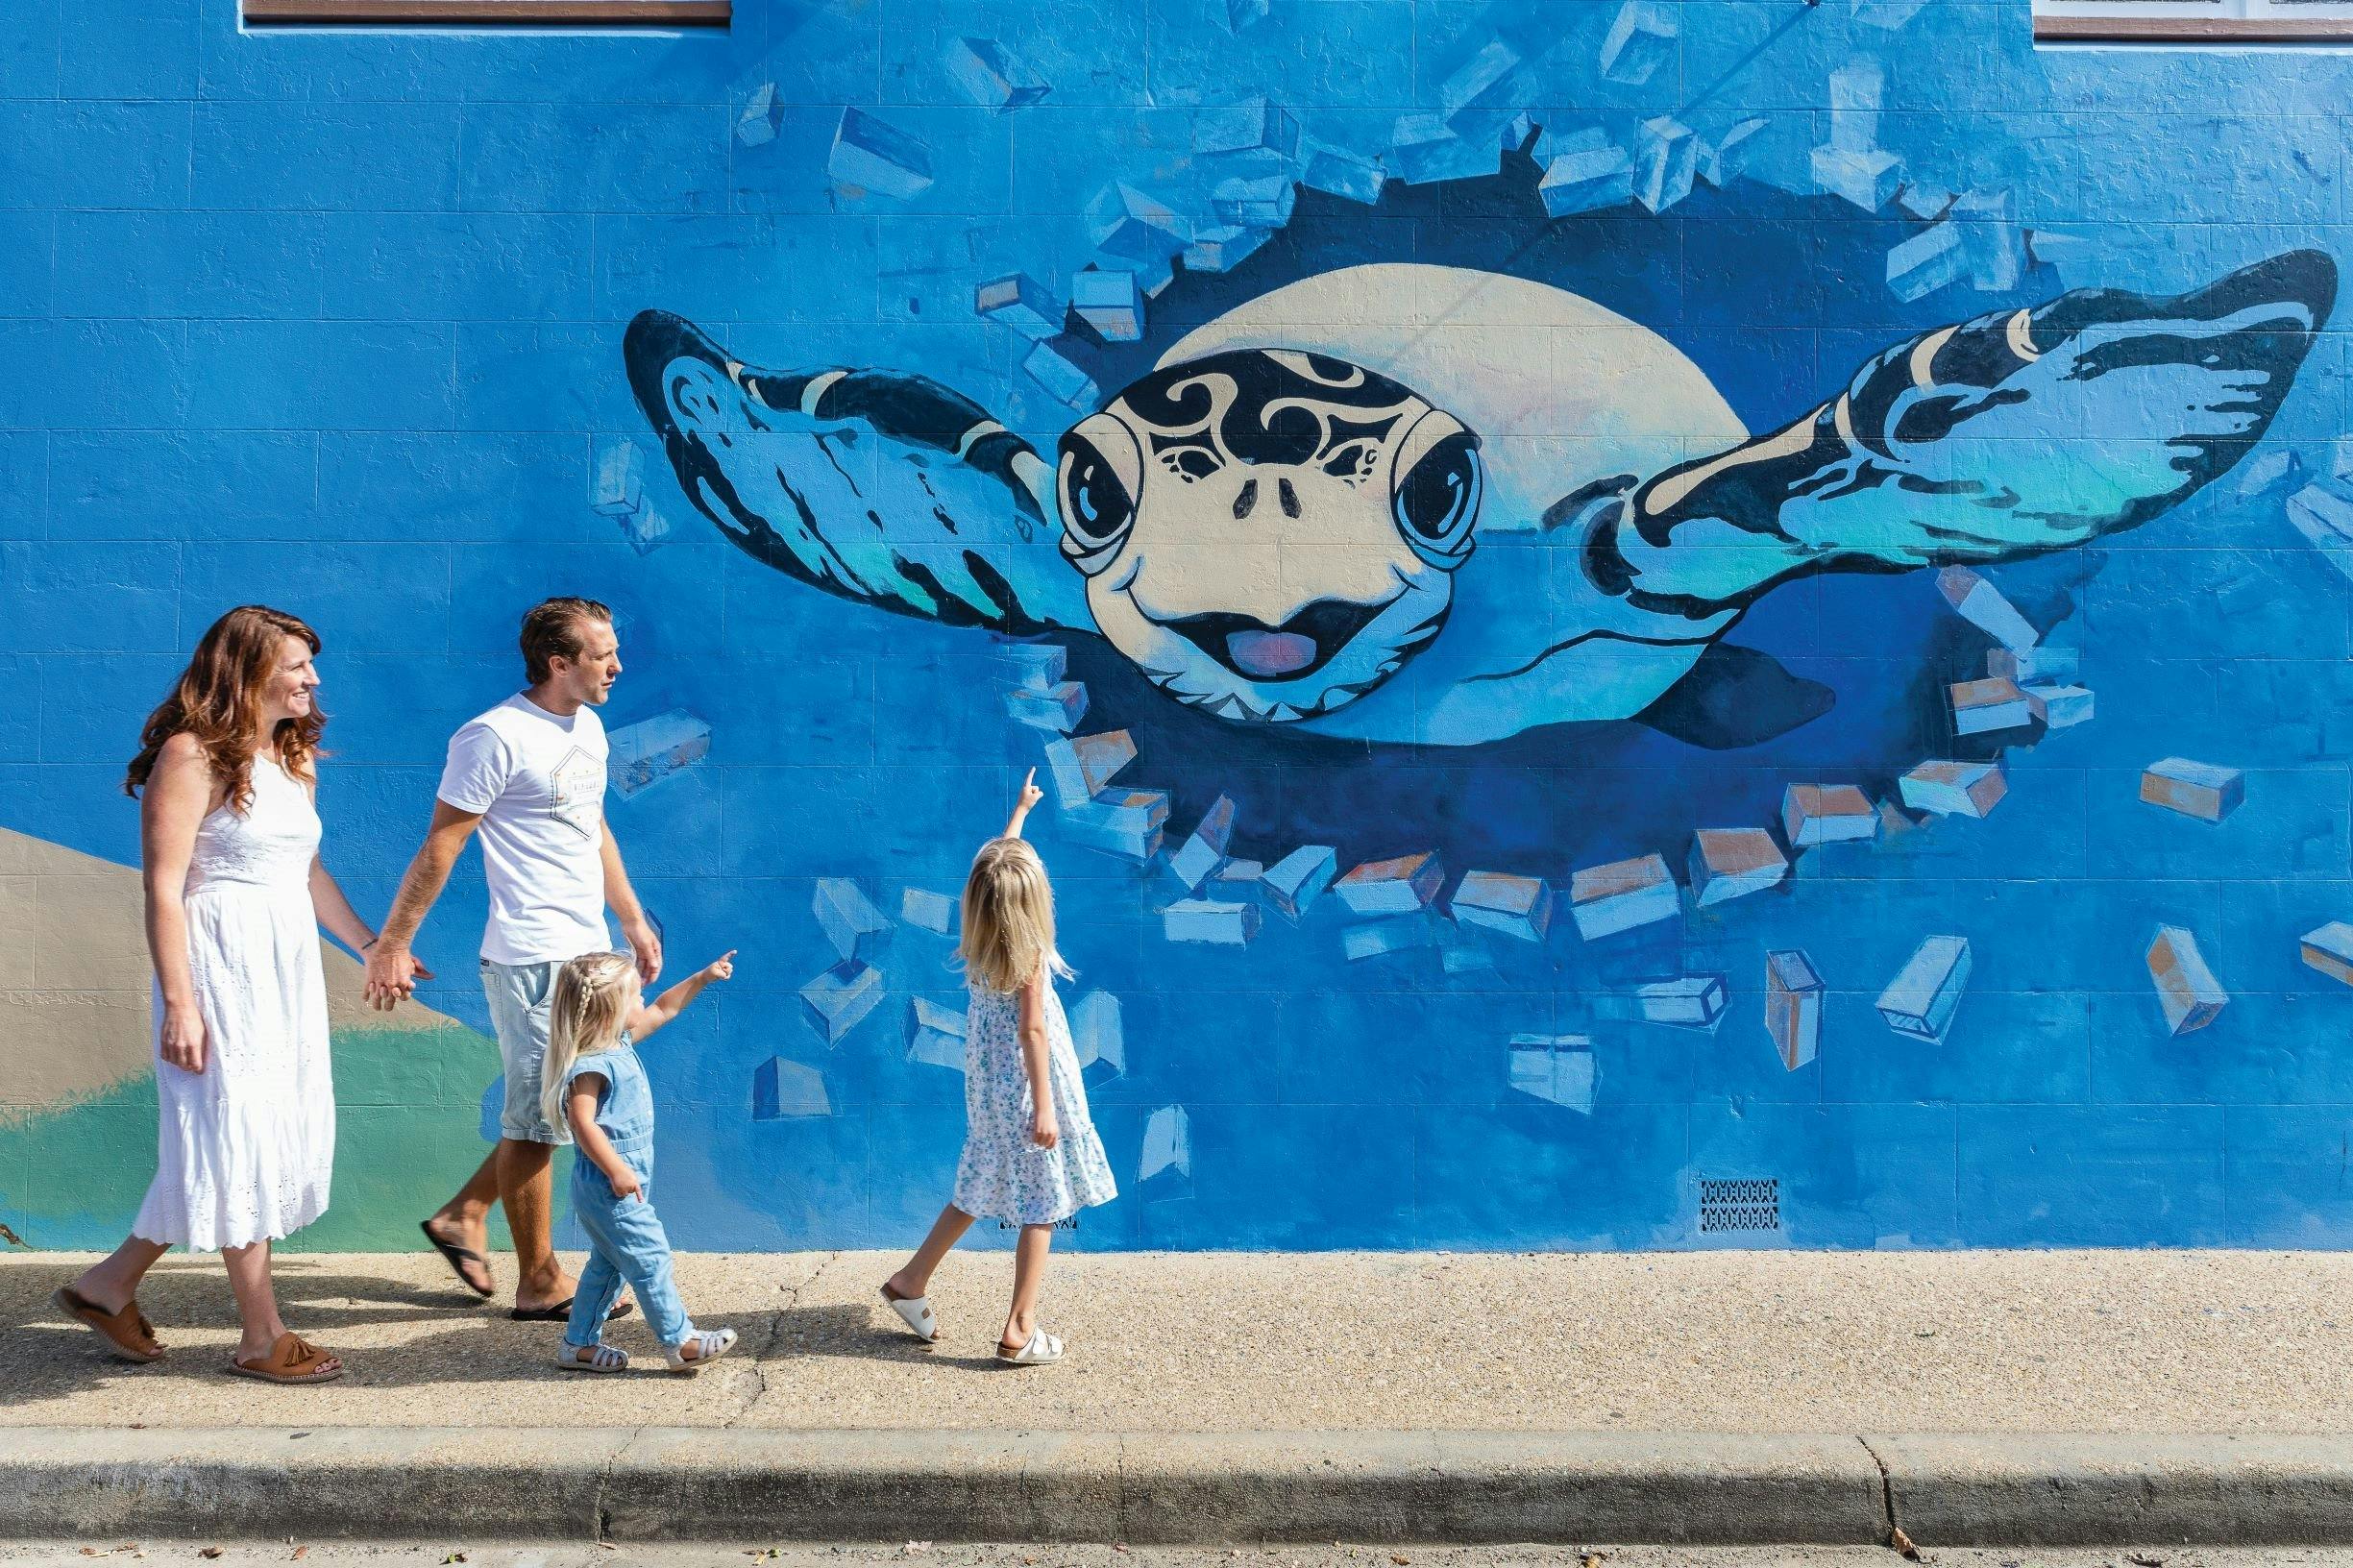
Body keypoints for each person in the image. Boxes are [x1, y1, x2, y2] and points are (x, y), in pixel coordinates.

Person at [54, 606, 404, 1384]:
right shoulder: (190, 757)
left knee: (237, 1135)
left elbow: (306, 872)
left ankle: (105, 1286)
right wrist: (181, 1002)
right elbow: (164, 888)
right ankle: (260, 1335)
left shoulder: (292, 758)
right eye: (297, 665)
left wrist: (372, 945)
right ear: (247, 672)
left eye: (313, 665)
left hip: (283, 968)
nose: (314, 678)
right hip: (219, 967)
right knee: (233, 1132)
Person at [362, 598, 663, 1322]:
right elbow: (443, 844)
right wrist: (394, 942)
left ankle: (465, 1213)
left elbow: (592, 827)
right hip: (529, 957)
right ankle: (539, 1282)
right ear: (558, 662)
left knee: (567, 1104)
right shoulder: (492, 736)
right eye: (603, 655)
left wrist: (629, 919)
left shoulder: (587, 727)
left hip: (589, 954)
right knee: (538, 1119)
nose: (618, 667)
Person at [878, 769, 1117, 1365]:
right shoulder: (1030, 952)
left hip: (988, 1086)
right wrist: (1045, 1106)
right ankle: (1020, 1326)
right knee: (1043, 1204)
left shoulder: (982, 935)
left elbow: (992, 872)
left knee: (979, 1183)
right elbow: (1033, 1029)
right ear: (1033, 904)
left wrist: (1019, 815)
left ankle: (910, 1281)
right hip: (1029, 1086)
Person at [541, 948, 740, 1373]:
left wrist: (703, 977)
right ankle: (680, 1340)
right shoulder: (591, 1065)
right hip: (605, 1185)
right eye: (633, 997)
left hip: (619, 1183)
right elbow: (582, 1121)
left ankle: (578, 1347)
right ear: (611, 1010)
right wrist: (614, 1168)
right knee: (650, 1257)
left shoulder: (620, 1043)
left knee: (608, 1268)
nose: (641, 1004)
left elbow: (666, 1007)